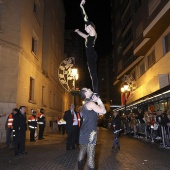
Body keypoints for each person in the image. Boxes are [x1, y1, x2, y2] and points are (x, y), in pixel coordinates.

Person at [78, 88, 106, 170]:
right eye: (87, 89)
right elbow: (103, 111)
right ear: (86, 93)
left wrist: (96, 100)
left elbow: (100, 112)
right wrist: (98, 100)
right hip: (90, 132)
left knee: (82, 151)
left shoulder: (86, 104)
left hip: (84, 131)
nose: (90, 89)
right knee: (91, 155)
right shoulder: (90, 103)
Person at [75, 0, 99, 95]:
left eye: (86, 26)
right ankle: (95, 90)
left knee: (93, 74)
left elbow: (86, 19)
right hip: (90, 56)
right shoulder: (88, 36)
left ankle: (96, 92)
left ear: (91, 26)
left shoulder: (93, 33)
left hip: (92, 55)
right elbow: (83, 35)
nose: (85, 27)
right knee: (91, 74)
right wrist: (78, 32)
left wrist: (81, 6)